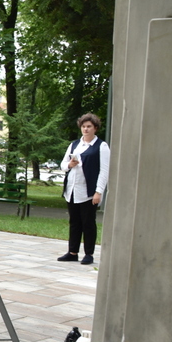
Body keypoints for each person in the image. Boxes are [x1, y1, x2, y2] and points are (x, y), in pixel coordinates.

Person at [57, 113, 110, 266]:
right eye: (83, 126)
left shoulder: (101, 146)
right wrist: (69, 165)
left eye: (89, 127)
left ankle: (89, 253)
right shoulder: (74, 144)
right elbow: (63, 165)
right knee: (74, 221)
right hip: (72, 190)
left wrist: (98, 191)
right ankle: (73, 252)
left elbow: (104, 170)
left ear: (95, 128)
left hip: (88, 191)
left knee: (88, 222)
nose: (86, 129)